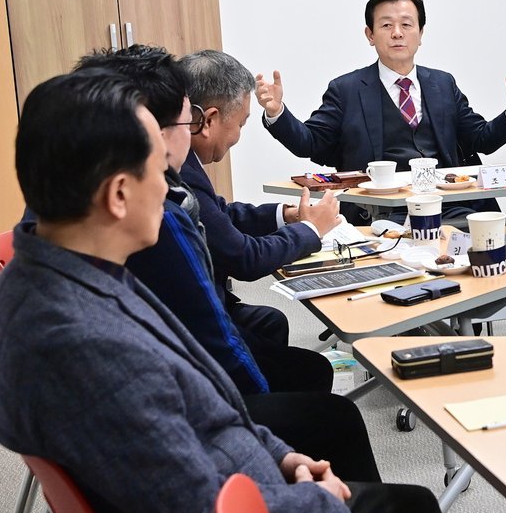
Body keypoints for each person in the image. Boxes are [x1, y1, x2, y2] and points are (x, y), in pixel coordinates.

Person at [0, 68, 498, 513]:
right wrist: (315, 502)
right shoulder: (88, 345)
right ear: (119, 194)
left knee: (414, 509)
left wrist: (282, 456)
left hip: (243, 491)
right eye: (158, 170)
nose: (171, 186)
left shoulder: (60, 270)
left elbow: (204, 405)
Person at [74, 46, 379, 481]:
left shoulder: (69, 237)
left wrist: (286, 218)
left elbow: (219, 218)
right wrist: (265, 421)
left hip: (167, 386)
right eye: (185, 122)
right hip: (194, 403)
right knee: (333, 411)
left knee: (277, 336)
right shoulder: (165, 217)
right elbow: (217, 330)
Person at [256, 0, 506, 221]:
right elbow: (310, 142)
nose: (397, 33)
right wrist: (277, 112)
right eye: (386, 25)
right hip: (379, 211)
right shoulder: (346, 89)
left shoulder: (443, 84)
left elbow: (480, 139)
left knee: (482, 238)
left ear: (421, 34)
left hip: (448, 206)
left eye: (406, 24)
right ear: (370, 35)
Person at [179, 49, 340, 392]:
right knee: (313, 371)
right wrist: (310, 229)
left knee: (270, 321)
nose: (238, 137)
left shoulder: (184, 161)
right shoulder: (180, 169)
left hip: (196, 307)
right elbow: (245, 258)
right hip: (197, 325)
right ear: (208, 119)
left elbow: (219, 214)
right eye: (240, 124)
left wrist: (285, 215)